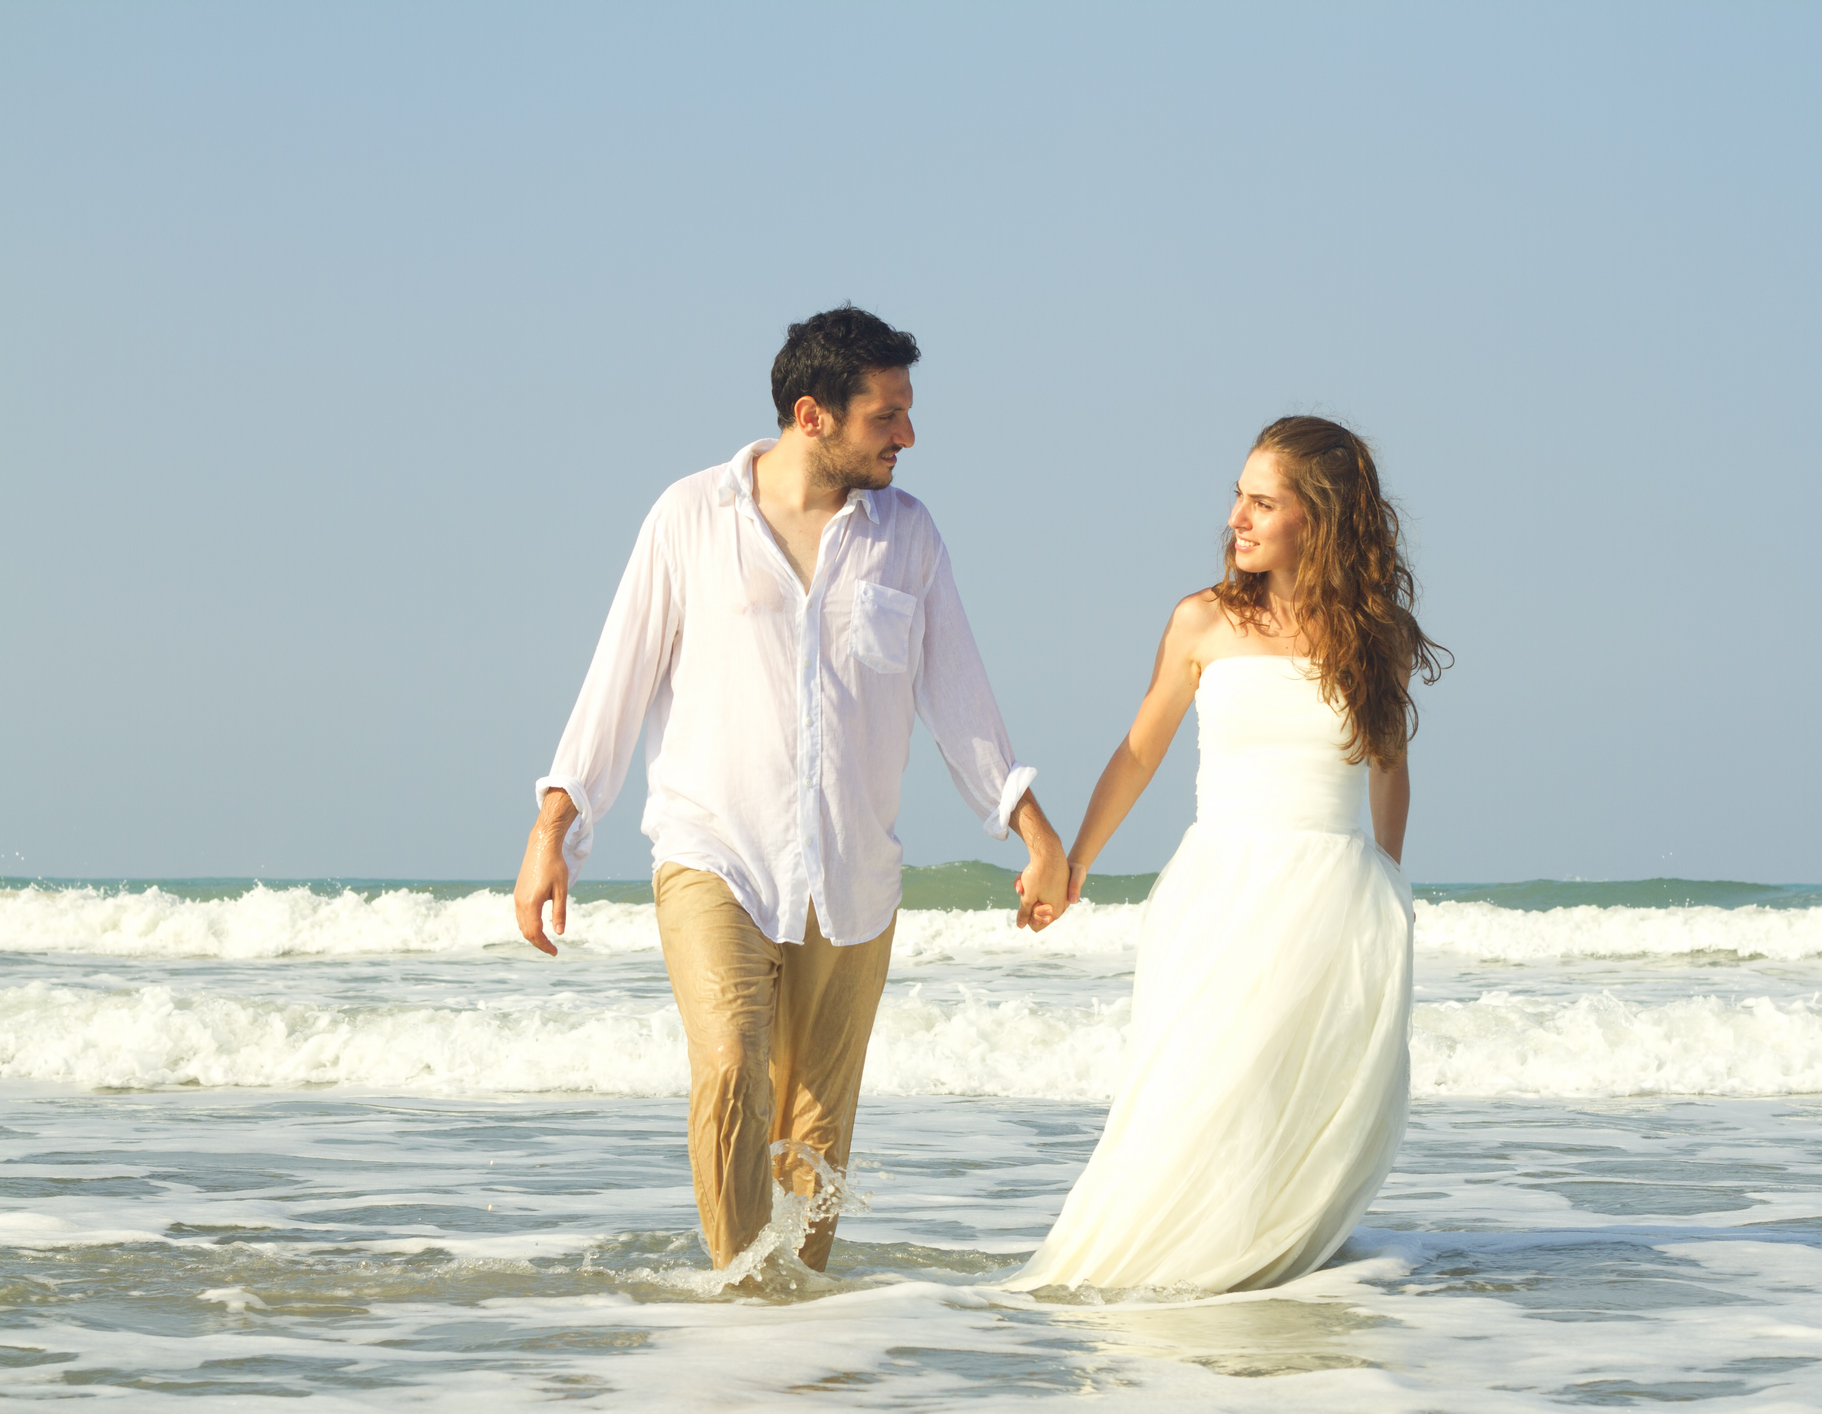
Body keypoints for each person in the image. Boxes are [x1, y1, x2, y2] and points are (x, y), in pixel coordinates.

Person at [512, 306, 1069, 1276]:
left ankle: (796, 1326)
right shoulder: (690, 516)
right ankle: (738, 1302)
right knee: (730, 1066)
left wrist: (1034, 831)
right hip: (713, 848)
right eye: (885, 415)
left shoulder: (909, 537)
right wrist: (554, 826)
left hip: (851, 874)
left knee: (814, 1123)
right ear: (812, 415)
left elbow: (961, 697)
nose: (907, 435)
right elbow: (618, 677)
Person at [1007, 414, 1446, 1294]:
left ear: (1313, 519)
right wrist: (1074, 865)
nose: (1236, 518)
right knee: (1204, 1090)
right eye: (1237, 498)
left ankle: (1262, 1284)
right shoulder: (1200, 621)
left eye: (1261, 501)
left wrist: (1388, 883)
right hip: (1220, 891)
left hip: (1335, 899)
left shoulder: (1375, 635)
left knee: (1294, 1102)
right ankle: (1166, 1278)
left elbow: (1389, 770)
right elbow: (1137, 753)